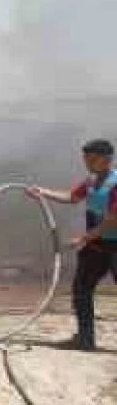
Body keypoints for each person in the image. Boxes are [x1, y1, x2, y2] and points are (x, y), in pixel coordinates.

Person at [28, 138, 117, 352]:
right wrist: (43, 192)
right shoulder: (90, 182)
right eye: (85, 159)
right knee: (81, 290)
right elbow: (71, 197)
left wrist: (84, 238)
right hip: (97, 247)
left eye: (92, 159)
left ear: (106, 159)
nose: (87, 163)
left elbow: (113, 219)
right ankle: (85, 340)